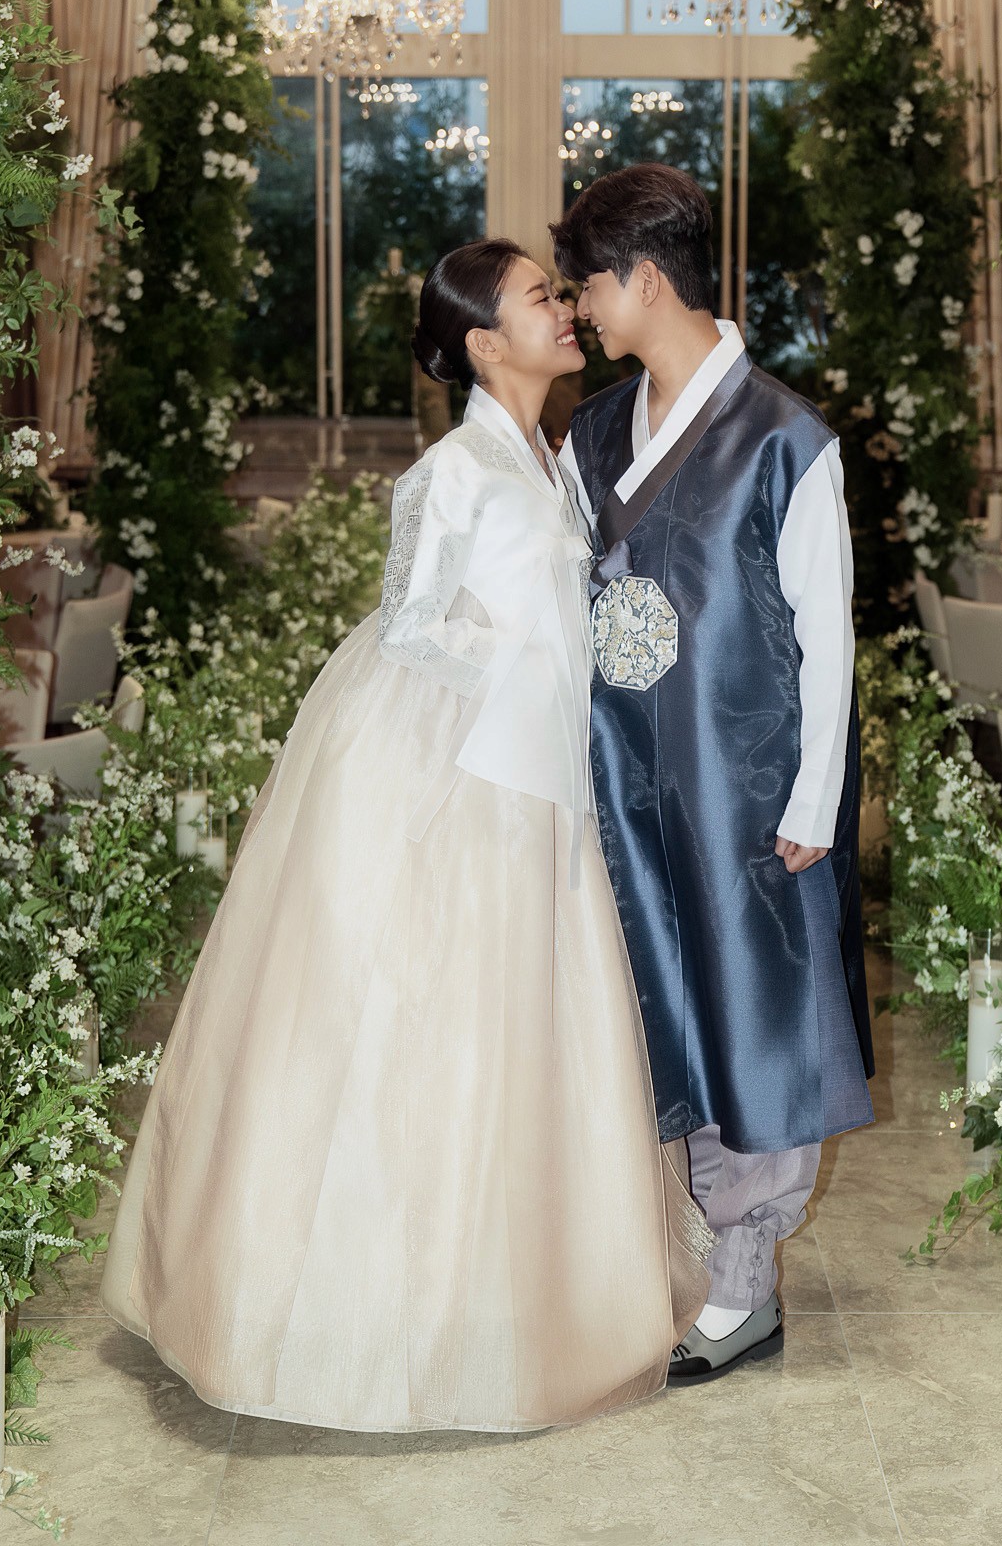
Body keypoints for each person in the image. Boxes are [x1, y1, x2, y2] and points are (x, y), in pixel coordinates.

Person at [101, 238, 710, 1434]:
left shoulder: (550, 456)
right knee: (421, 1036)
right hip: (463, 781)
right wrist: (530, 649)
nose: (563, 310)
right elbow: (415, 624)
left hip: (536, 777)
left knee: (520, 1045)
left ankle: (506, 1305)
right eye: (539, 298)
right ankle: (359, 1315)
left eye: (559, 293)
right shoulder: (452, 470)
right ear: (484, 341)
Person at [551, 164, 875, 1386]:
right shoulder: (594, 432)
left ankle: (746, 1275)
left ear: (643, 278)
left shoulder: (786, 439)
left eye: (588, 283)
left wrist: (813, 795)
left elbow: (828, 630)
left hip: (747, 780)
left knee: (756, 1008)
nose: (581, 307)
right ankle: (691, 1245)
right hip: (628, 777)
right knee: (663, 1001)